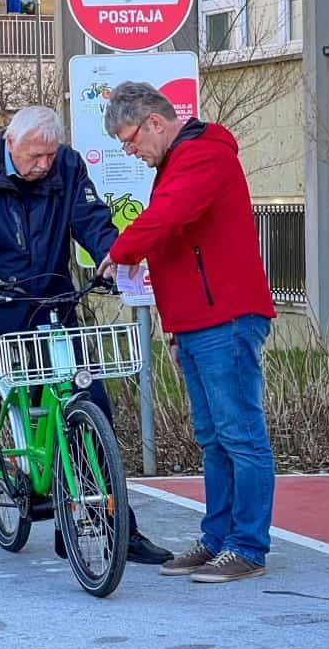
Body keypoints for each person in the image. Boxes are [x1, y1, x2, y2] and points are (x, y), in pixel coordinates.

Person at [0, 105, 173, 580]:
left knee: (91, 402)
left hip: (48, 304)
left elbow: (91, 218)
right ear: (10, 143)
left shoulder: (68, 166)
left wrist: (111, 255)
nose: (45, 166)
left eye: (51, 155)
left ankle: (110, 525)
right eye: (37, 156)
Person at [104, 81, 277, 584]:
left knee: (239, 435)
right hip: (199, 321)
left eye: (131, 139)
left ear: (155, 122)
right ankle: (218, 538)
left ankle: (247, 546)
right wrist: (176, 332)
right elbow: (180, 250)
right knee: (213, 438)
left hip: (225, 317)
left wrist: (120, 251)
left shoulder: (202, 156)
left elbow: (167, 218)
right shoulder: (176, 162)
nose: (130, 150)